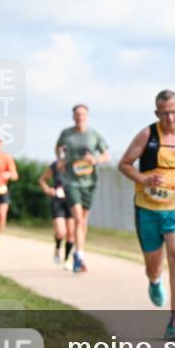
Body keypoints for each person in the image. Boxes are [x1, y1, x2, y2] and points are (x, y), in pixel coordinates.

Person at [118, 90, 175, 341]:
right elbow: (124, 164)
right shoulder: (147, 135)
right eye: (164, 112)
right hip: (148, 209)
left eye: (174, 111)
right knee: (154, 265)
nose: (170, 117)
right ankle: (154, 279)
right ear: (157, 113)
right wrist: (143, 178)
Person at [55, 104, 110, 273]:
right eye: (77, 114)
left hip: (89, 182)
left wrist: (95, 159)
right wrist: (61, 159)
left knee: (83, 221)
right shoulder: (66, 134)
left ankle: (80, 252)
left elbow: (106, 155)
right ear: (73, 117)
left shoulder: (94, 135)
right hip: (71, 181)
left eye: (83, 114)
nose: (80, 117)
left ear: (87, 116)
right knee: (78, 218)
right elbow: (58, 149)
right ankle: (78, 257)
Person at [39, 155, 75, 268]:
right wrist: (48, 189)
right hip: (58, 201)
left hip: (72, 201)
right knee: (61, 231)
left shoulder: (76, 165)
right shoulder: (55, 166)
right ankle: (58, 248)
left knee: (71, 233)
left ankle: (67, 258)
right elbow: (42, 179)